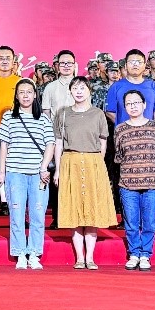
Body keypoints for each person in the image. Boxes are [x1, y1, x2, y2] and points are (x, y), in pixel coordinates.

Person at [54, 78, 117, 269]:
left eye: (82, 88)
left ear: (89, 91)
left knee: (91, 209)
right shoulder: (63, 113)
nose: (79, 91)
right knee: (74, 209)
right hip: (70, 161)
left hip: (93, 162)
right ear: (70, 91)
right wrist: (58, 169)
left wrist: (98, 165)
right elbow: (58, 143)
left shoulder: (98, 114)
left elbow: (103, 142)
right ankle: (79, 258)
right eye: (75, 88)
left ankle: (90, 257)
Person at [0, 80, 54, 270]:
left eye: (29, 92)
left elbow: (50, 144)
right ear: (16, 96)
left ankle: (35, 253)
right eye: (21, 92)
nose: (26, 95)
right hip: (15, 173)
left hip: (38, 174)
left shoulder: (43, 119)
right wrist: (2, 171)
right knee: (17, 214)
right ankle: (20, 252)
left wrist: (44, 167)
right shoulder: (8, 117)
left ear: (35, 95)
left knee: (38, 214)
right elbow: (4, 145)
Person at [112, 90, 155, 271]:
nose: (133, 106)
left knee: (149, 222)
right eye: (129, 103)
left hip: (152, 182)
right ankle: (134, 253)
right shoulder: (120, 129)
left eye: (136, 102)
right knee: (131, 222)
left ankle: (145, 255)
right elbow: (118, 156)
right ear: (124, 107)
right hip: (128, 183)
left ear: (144, 105)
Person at [105, 50, 155, 124]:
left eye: (139, 62)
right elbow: (110, 112)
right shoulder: (116, 87)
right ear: (126, 66)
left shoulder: (153, 86)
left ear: (144, 65)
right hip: (124, 130)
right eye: (131, 62)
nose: (135, 65)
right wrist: (125, 126)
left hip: (148, 130)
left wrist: (147, 125)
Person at [41, 50, 78, 118]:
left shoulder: (82, 87)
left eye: (69, 63)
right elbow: (46, 113)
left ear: (74, 65)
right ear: (58, 66)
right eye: (63, 63)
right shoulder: (50, 87)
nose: (66, 66)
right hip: (56, 124)